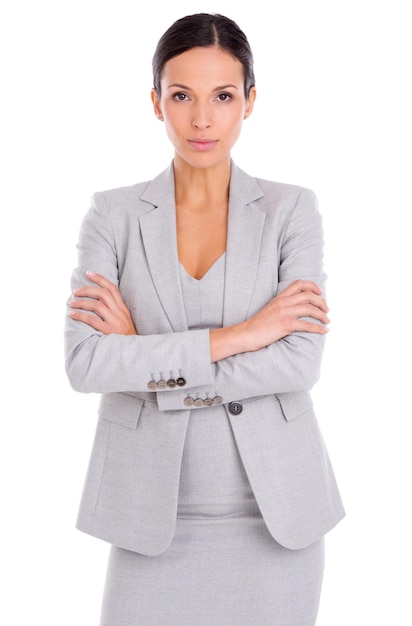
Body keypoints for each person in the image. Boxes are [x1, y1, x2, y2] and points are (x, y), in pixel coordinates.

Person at [65, 12, 345, 626]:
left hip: (275, 518)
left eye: (222, 96)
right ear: (155, 101)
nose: (201, 119)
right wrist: (246, 334)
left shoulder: (290, 211)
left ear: (249, 100)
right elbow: (86, 363)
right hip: (149, 519)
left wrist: (145, 356)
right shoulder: (112, 216)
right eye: (181, 95)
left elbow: (300, 360)